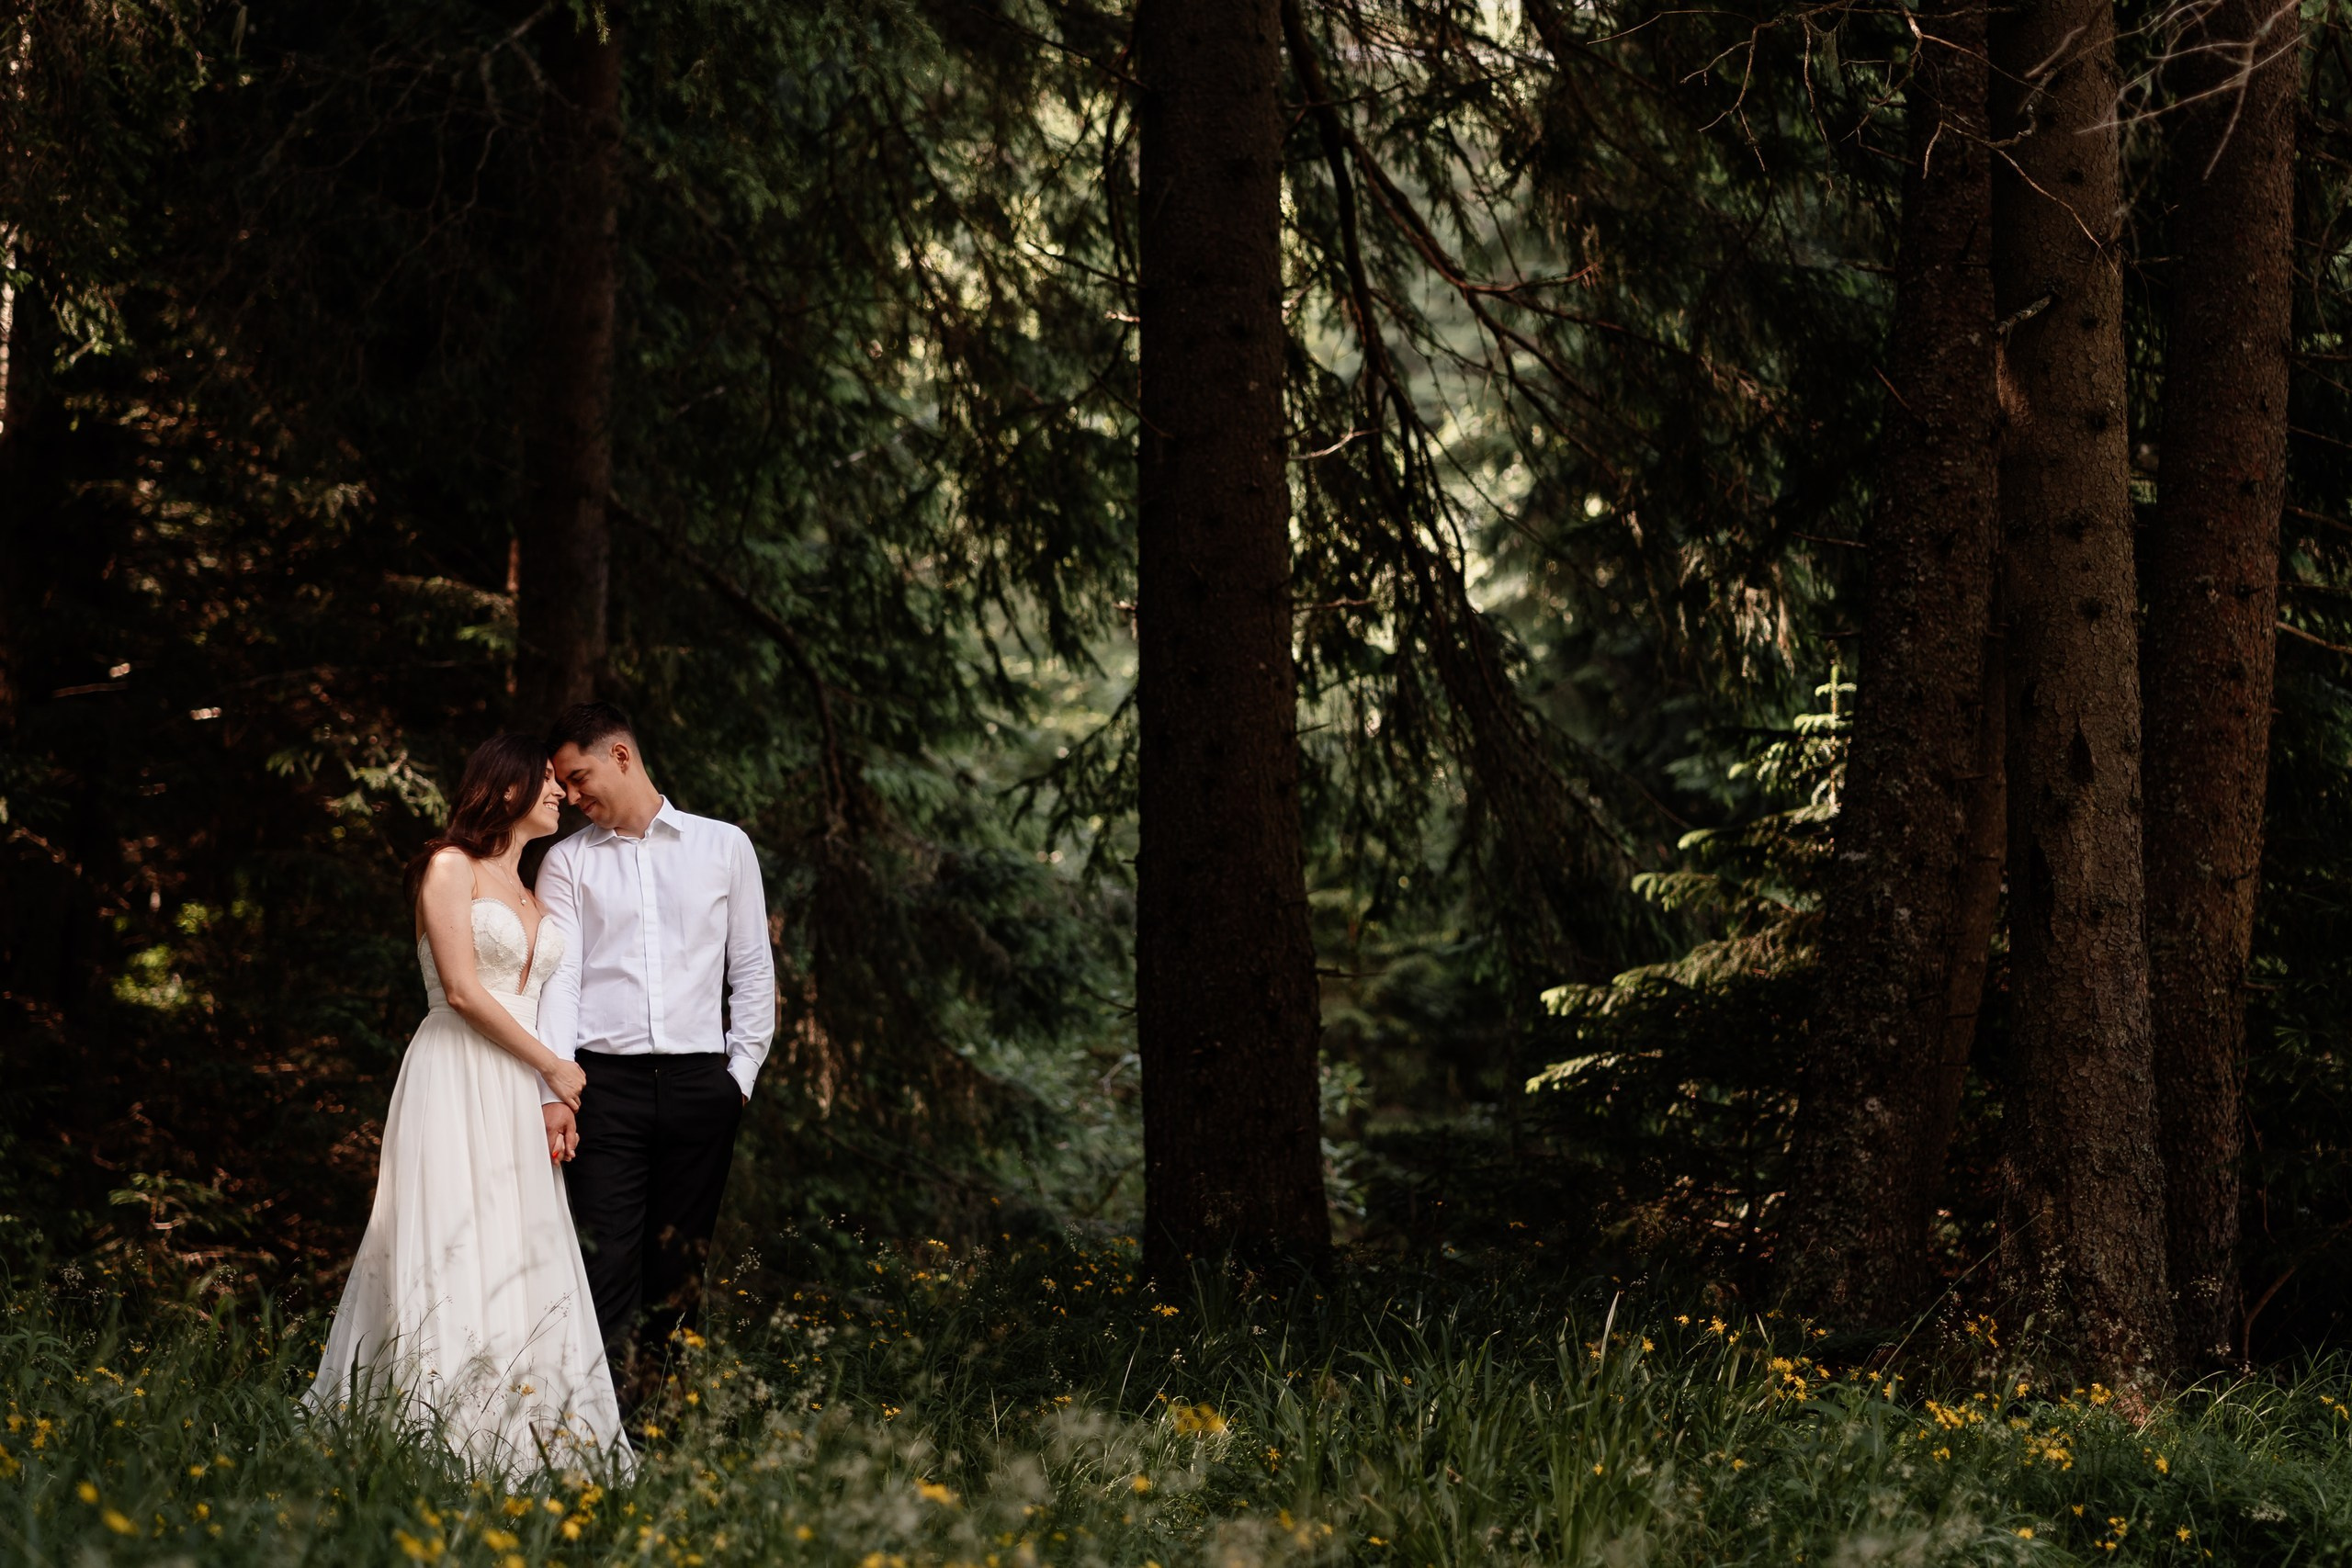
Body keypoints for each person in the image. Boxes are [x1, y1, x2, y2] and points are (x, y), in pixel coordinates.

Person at [306, 734, 630, 1475]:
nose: (560, 793)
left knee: (520, 1245)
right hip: (455, 1067)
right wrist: (552, 1061)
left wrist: (554, 1094)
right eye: (547, 781)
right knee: (448, 1237)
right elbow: (460, 987)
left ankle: (523, 1432)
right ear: (508, 788)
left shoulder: (534, 888)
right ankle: (432, 1434)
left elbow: (546, 998)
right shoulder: (449, 866)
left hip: (519, 1085)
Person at [535, 703, 775, 1396]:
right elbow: (564, 981)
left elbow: (752, 968)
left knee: (679, 1277)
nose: (573, 798)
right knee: (603, 1268)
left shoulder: (725, 846)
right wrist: (559, 1090)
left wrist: (741, 1078)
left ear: (620, 755)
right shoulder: (566, 862)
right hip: (604, 1090)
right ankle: (598, 1442)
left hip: (705, 1087)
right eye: (564, 787)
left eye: (579, 778)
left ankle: (660, 1440)